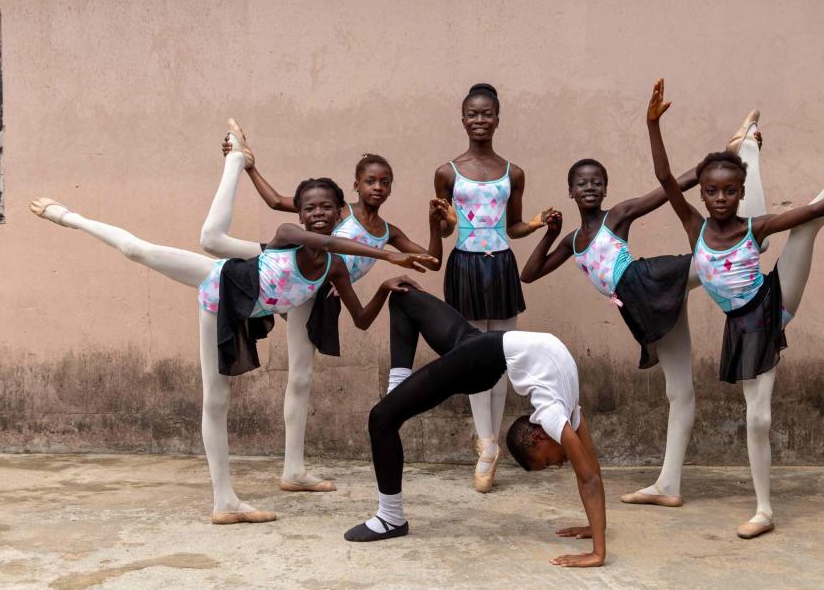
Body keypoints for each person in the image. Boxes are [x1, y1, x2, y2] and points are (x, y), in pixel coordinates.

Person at [29, 134, 433, 524]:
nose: (318, 214)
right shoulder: (290, 234)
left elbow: (361, 319)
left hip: (270, 304)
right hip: (223, 289)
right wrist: (387, 257)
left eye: (327, 207)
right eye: (310, 208)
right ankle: (71, 217)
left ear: (338, 209)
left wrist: (383, 285)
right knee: (142, 254)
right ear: (300, 214)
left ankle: (293, 471)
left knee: (301, 376)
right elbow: (321, 240)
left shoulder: (336, 267)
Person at [649, 78, 824, 538]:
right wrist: (652, 125)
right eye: (712, 192)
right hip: (742, 328)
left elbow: (816, 208)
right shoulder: (694, 228)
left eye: (728, 192)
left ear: (738, 195)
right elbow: (665, 180)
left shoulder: (753, 224)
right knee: (757, 417)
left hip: (774, 301)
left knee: (808, 225)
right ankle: (748, 146)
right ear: (702, 194)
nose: (720, 199)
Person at [520, 99, 770, 508]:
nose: (589, 187)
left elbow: (670, 187)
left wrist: (726, 158)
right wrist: (550, 233)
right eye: (581, 183)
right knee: (679, 390)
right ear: (569, 191)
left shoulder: (615, 216)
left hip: (649, 281)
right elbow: (529, 274)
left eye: (597, 181)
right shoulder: (571, 242)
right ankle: (668, 485)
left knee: (717, 256)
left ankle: (748, 166)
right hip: (640, 306)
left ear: (606, 189)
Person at [207, 121, 451, 491]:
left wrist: (438, 227)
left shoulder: (388, 232)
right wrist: (251, 166)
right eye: (370, 181)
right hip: (289, 267)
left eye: (385, 182)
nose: (378, 188)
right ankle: (235, 160)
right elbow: (277, 203)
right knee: (218, 247)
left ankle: (293, 470)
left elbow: (431, 261)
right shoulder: (338, 211)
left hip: (317, 294)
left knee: (301, 377)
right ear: (356, 185)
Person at [344, 289, 606, 568]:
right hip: (477, 356)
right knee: (402, 297)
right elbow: (590, 476)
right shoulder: (557, 415)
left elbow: (590, 472)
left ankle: (390, 517)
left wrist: (596, 534)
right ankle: (397, 393)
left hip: (482, 356)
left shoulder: (562, 412)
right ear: (538, 437)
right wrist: (598, 552)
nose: (560, 464)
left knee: (381, 419)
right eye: (549, 462)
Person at [433, 83, 552, 492]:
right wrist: (443, 219)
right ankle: (485, 443)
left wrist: (535, 224)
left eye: (487, 114)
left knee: (501, 355)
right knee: (471, 356)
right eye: (472, 114)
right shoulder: (447, 172)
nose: (479, 120)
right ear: (462, 118)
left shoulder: (512, 172)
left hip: (500, 264)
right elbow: (448, 227)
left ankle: (492, 442)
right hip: (464, 264)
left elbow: (513, 227)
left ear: (497, 118)